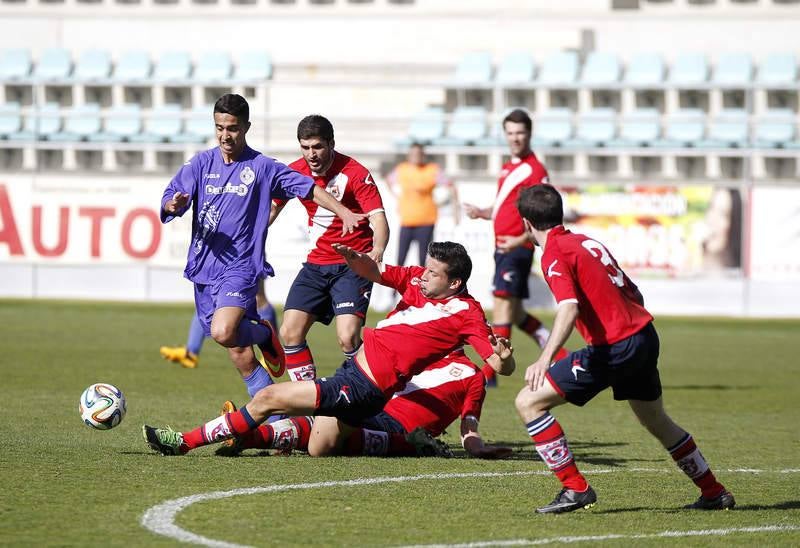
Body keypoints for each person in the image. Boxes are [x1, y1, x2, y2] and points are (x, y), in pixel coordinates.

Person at [142, 241, 516, 457]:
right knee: (321, 446)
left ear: (455, 282)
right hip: (360, 379)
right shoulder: (418, 282)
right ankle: (410, 446)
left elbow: (499, 366)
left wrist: (505, 355)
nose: (423, 275)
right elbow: (379, 273)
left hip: (364, 386)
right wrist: (356, 261)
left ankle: (184, 442)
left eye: (433, 273)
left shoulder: (468, 314)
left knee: (270, 397)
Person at [514, 184, 735, 514]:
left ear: (525, 223)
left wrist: (544, 358)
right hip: (644, 336)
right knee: (656, 419)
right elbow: (632, 291)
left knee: (528, 402)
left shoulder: (554, 253)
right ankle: (714, 492)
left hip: (615, 347)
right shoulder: (586, 242)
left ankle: (575, 489)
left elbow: (569, 308)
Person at [159, 94, 363, 402]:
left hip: (240, 267)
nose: (225, 135)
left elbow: (309, 188)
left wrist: (343, 211)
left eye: (233, 128)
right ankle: (278, 419)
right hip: (203, 267)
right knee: (239, 352)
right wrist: (172, 204)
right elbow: (172, 195)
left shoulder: (262, 167)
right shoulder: (201, 163)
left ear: (246, 127)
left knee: (224, 332)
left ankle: (266, 333)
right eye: (219, 127)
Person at [217, 349, 513, 459]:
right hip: (374, 409)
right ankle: (247, 435)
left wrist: (477, 447)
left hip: (396, 428)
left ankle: (249, 435)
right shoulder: (414, 352)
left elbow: (469, 424)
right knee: (326, 426)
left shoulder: (473, 376)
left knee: (326, 429)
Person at [270, 115, 390, 383]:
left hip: (352, 264)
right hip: (316, 265)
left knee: (347, 337)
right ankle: (309, 399)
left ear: (331, 144)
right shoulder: (295, 172)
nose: (311, 154)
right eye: (305, 147)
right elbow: (273, 207)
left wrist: (376, 251)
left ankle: (374, 394)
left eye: (317, 147)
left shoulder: (355, 172)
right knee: (290, 332)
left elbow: (379, 219)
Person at [463, 109, 566, 386]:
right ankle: (561, 352)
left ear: (529, 134)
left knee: (501, 308)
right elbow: (503, 208)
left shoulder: (535, 170)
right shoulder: (509, 167)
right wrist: (482, 212)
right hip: (502, 247)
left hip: (516, 249)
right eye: (510, 133)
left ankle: (490, 373)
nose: (515, 138)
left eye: (520, 133)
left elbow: (543, 213)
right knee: (516, 312)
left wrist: (520, 240)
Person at [159, 279, 278, 369]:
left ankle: (271, 347)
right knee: (209, 297)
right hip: (220, 254)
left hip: (246, 252)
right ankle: (191, 351)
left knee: (258, 295)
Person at [385, 143, 459, 267]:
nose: (416, 156)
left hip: (426, 221)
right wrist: (396, 197)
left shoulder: (431, 169)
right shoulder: (402, 169)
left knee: (423, 258)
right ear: (409, 155)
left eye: (418, 154)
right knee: (400, 258)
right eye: (413, 154)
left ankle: (423, 285)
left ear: (423, 155)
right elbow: (388, 180)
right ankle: (396, 286)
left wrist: (454, 209)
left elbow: (451, 186)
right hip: (407, 221)